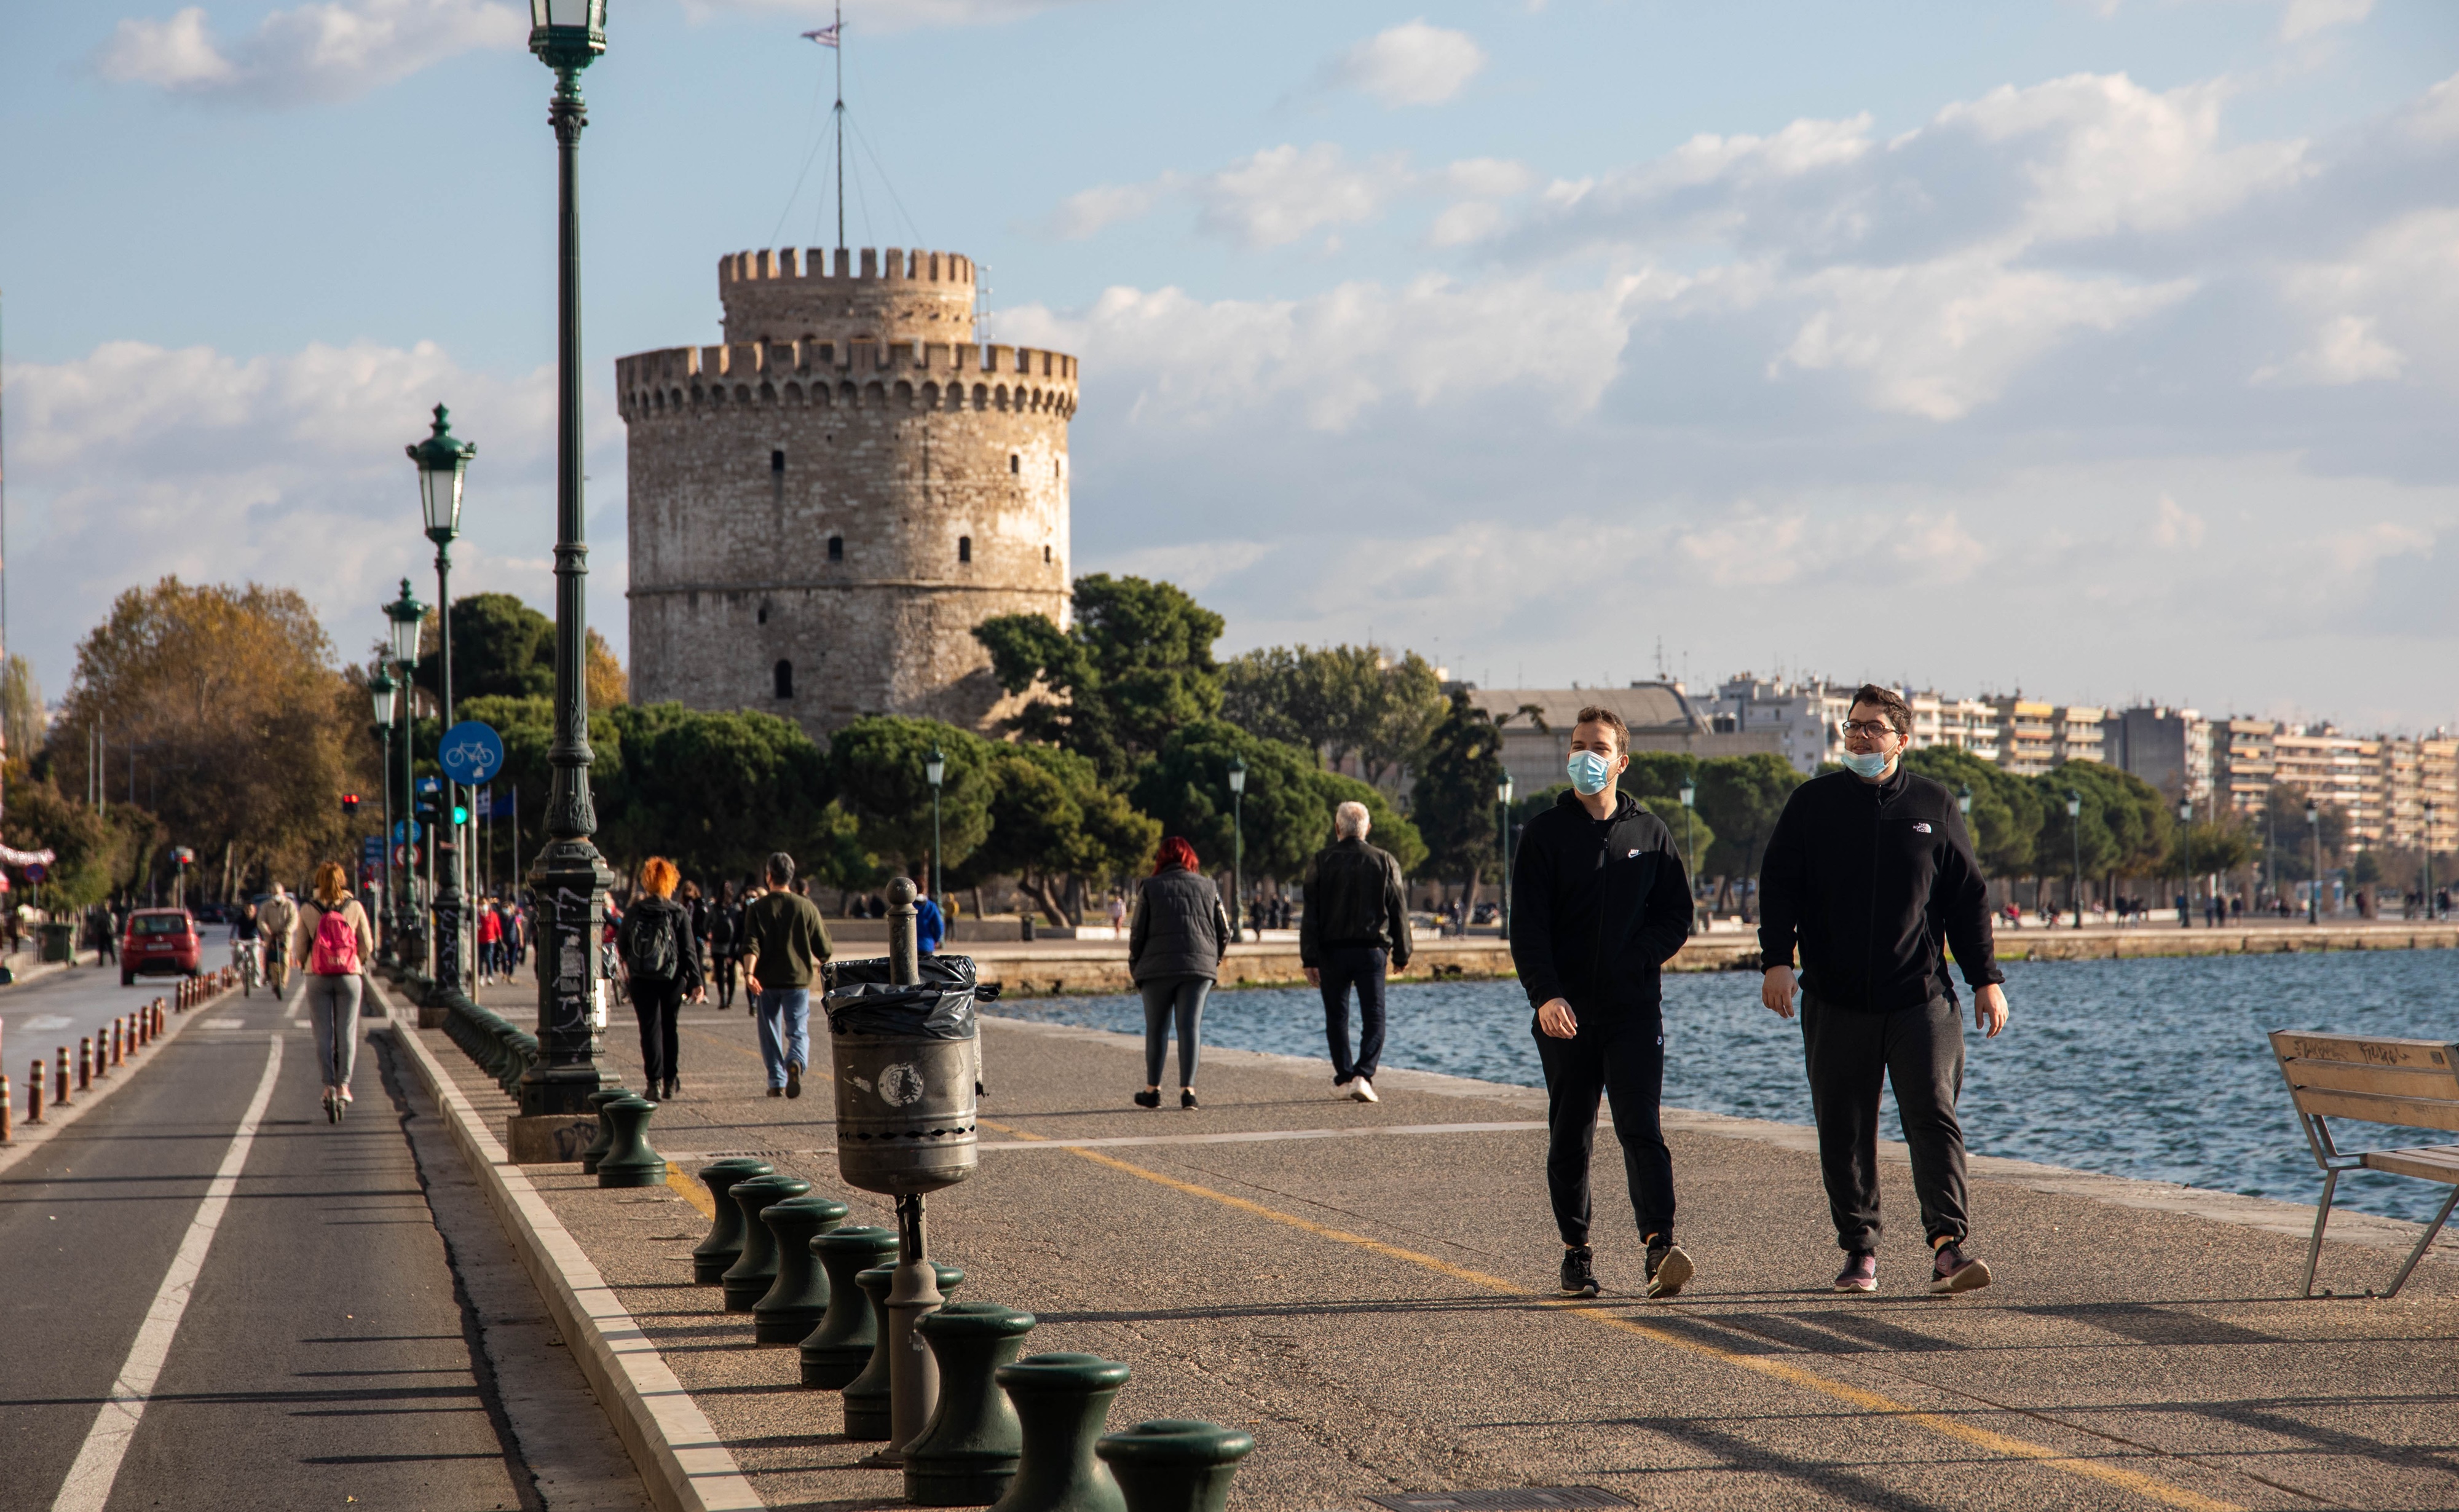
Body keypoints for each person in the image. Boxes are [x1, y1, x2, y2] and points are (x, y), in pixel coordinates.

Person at [1758, 683, 2010, 1297]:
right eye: (1853, 726)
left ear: (1902, 739)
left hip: (1920, 998)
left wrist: (1985, 980)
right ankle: (1859, 1249)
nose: (1860, 736)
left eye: (1873, 728)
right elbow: (1778, 886)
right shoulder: (1812, 804)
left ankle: (1947, 1247)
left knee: (1932, 1115)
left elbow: (1967, 899)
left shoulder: (1932, 804)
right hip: (1834, 997)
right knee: (1843, 1128)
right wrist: (1775, 962)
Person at [1510, 705, 1697, 1301]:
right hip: (1564, 1015)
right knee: (1572, 1134)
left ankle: (1659, 1248)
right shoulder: (1544, 834)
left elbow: (1676, 916)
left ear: (1620, 760)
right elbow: (1528, 930)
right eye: (1576, 744)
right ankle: (1576, 1253)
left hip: (1635, 1011)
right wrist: (1545, 996)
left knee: (1641, 1128)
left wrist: (1638, 957)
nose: (1583, 755)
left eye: (1596, 746)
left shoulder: (1651, 832)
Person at [1299, 800, 1413, 1103]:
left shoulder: (1320, 861)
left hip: (1331, 952)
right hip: (1371, 952)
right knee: (1374, 1017)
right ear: (1368, 829)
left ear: (1337, 828)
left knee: (1336, 1017)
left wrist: (1309, 958)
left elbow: (1311, 913)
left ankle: (1345, 1075)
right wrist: (1403, 953)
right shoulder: (1385, 860)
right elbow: (1398, 910)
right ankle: (1364, 1074)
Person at [1126, 836, 1228, 1110]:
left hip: (1156, 968)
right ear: (1190, 859)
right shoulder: (1209, 886)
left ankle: (1152, 1091)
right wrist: (1212, 960)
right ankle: (1188, 1093)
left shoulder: (1149, 887)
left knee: (1157, 1029)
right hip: (1199, 968)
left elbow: (1138, 932)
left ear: (1161, 859)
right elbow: (1225, 931)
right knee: (1189, 1027)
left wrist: (1135, 964)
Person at [741, 851, 832, 1098]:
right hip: (797, 981)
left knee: (769, 1030)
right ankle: (796, 1061)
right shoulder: (806, 907)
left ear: (769, 876)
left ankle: (776, 1081)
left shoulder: (758, 908)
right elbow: (824, 950)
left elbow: (751, 943)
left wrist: (749, 974)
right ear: (790, 877)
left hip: (766, 981)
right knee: (798, 1029)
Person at [292, 862, 376, 1122]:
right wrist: (355, 962)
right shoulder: (355, 907)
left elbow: (299, 948)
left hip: (317, 976)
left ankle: (328, 1086)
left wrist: (308, 963)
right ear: (343, 880)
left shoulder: (307, 909)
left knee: (323, 1034)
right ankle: (344, 1087)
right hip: (350, 977)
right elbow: (368, 945)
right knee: (347, 1032)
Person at [618, 857, 705, 1101]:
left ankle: (653, 1082)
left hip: (642, 979)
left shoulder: (635, 911)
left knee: (649, 1029)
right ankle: (670, 1081)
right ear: (671, 882)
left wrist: (635, 964)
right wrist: (697, 981)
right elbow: (688, 950)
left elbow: (623, 944)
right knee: (670, 1027)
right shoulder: (677, 912)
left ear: (646, 881)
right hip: (672, 978)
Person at [258, 883, 299, 994]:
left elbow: (294, 919)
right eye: (274, 893)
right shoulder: (266, 906)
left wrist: (287, 930)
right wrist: (267, 931)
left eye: (278, 892)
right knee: (272, 960)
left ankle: (283, 982)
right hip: (271, 937)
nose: (276, 895)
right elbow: (261, 920)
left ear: (283, 893)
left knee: (285, 959)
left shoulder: (289, 905)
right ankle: (275, 983)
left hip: (285, 936)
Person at [709, 880, 741, 1012]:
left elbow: (706, 925)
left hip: (717, 945)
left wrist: (708, 937)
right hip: (731, 946)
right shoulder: (736, 908)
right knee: (731, 971)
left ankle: (722, 997)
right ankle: (731, 999)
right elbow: (740, 927)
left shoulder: (714, 908)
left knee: (720, 972)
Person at [915, 879, 947, 955]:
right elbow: (938, 925)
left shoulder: (909, 905)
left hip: (910, 945)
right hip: (927, 944)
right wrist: (937, 939)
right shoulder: (931, 906)